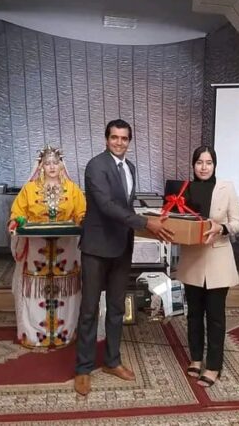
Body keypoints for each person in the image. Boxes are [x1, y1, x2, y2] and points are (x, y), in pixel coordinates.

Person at [74, 119, 173, 396]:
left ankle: (112, 361)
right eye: (114, 137)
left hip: (121, 247)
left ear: (129, 141)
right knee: (89, 310)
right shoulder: (96, 166)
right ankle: (83, 368)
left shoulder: (130, 167)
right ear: (106, 139)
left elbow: (125, 206)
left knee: (117, 307)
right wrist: (146, 223)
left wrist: (150, 219)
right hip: (96, 248)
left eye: (124, 138)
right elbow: (106, 206)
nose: (119, 142)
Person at [176, 145, 239, 388]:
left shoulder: (227, 187)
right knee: (194, 314)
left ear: (214, 165)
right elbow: (177, 219)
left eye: (208, 162)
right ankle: (195, 358)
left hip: (218, 259)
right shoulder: (184, 189)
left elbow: (238, 224)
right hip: (192, 259)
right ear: (193, 165)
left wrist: (222, 228)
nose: (203, 167)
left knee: (215, 316)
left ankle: (213, 366)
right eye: (199, 162)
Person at [7, 145, 86, 349]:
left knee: (66, 293)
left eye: (55, 163)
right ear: (41, 166)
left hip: (66, 252)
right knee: (35, 293)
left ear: (61, 165)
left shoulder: (73, 189)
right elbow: (18, 213)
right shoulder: (29, 189)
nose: (51, 167)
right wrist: (16, 221)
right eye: (47, 163)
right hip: (36, 253)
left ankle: (64, 334)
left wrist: (83, 221)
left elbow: (81, 213)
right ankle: (34, 335)